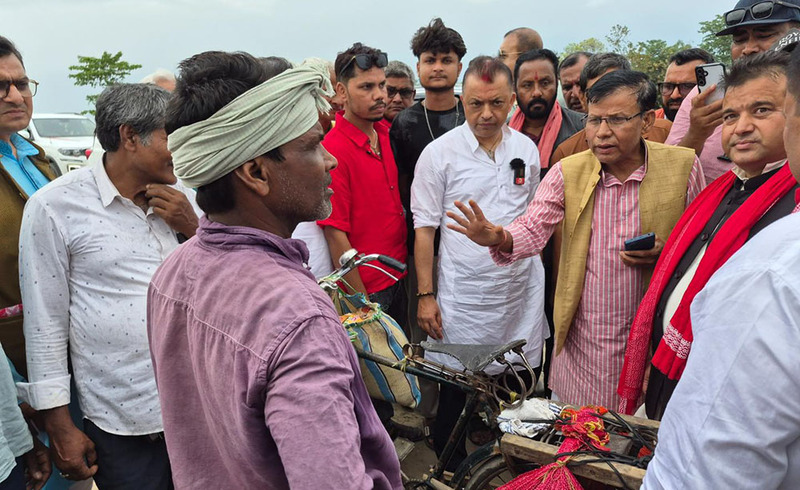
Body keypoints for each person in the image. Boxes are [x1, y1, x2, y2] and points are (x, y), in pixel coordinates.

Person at [148, 50, 402, 489]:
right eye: (312, 145)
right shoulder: (300, 319)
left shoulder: (171, 274)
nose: (330, 160)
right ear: (256, 172)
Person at [448, 70, 705, 408]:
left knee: (640, 428)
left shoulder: (683, 167)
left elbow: (701, 246)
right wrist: (500, 236)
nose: (602, 132)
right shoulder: (568, 171)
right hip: (585, 339)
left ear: (646, 121)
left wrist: (667, 252)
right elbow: (533, 227)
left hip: (653, 337)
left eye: (617, 120)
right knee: (578, 425)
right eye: (594, 120)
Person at [17, 83, 200, 488]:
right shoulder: (55, 206)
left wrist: (193, 228)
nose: (182, 147)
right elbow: (45, 325)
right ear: (130, 136)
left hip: (202, 411)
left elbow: (226, 278)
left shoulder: (186, 197)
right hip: (126, 425)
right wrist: (59, 425)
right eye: (171, 135)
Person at [642, 40, 800, 490]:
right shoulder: (723, 187)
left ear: (792, 113)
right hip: (677, 380)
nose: (741, 127)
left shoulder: (790, 209)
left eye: (761, 110)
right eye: (730, 116)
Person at [411, 55, 548, 469]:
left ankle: (511, 464)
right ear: (462, 101)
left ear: (512, 101)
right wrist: (425, 295)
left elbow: (533, 217)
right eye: (475, 104)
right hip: (465, 297)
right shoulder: (438, 155)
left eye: (496, 103)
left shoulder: (525, 149)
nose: (486, 114)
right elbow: (424, 229)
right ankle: (449, 469)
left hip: (518, 292)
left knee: (515, 386)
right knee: (457, 388)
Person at [318, 43, 408, 324]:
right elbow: (336, 235)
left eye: (381, 85)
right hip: (368, 288)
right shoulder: (333, 151)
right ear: (342, 92)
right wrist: (363, 307)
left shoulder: (386, 133)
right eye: (367, 87)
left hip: (398, 273)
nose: (380, 95)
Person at [666, 0, 800, 182]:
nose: (749, 48)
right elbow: (669, 174)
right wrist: (696, 133)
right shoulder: (704, 94)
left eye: (764, 35)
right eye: (739, 40)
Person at [0, 35, 57, 379]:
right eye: (1, 87)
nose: (16, 97)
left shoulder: (39, 159)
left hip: (66, 347)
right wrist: (11, 384)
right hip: (16, 360)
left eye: (21, 84)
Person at [551, 53, 673, 162]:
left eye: (614, 90)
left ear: (647, 121)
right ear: (583, 98)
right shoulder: (566, 155)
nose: (603, 132)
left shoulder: (664, 133)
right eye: (595, 92)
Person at [509, 49, 585, 171]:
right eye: (527, 85)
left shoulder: (583, 128)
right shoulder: (500, 133)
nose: (537, 92)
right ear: (515, 88)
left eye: (545, 83)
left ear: (556, 84)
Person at [656, 48, 714, 121]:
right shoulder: (647, 124)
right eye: (668, 86)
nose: (674, 95)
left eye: (687, 86)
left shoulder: (724, 124)